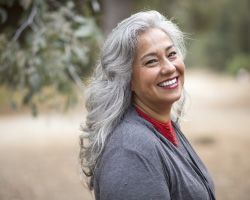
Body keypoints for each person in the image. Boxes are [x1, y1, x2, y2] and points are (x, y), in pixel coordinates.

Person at [79, 10, 216, 200]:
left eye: (172, 54)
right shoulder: (130, 152)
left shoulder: (164, 128)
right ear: (127, 79)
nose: (169, 67)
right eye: (151, 61)